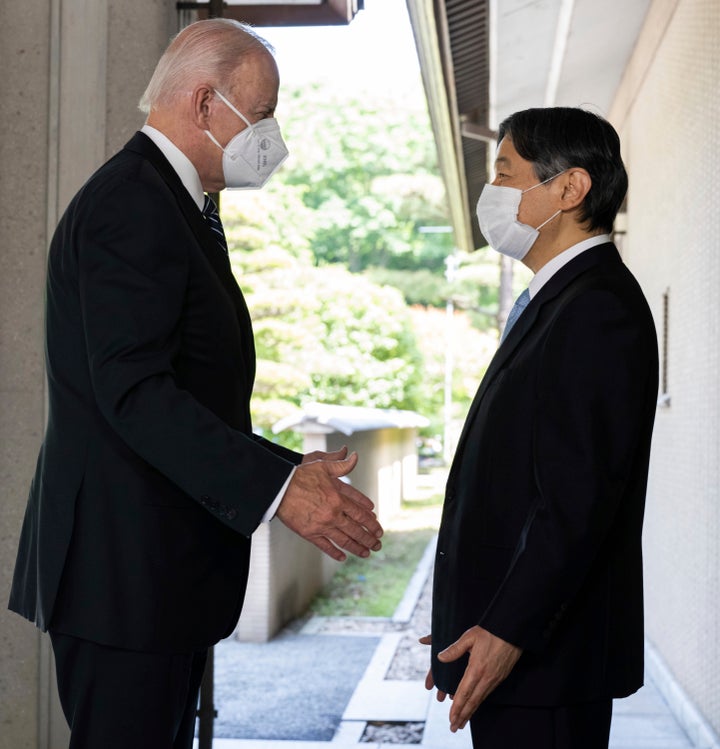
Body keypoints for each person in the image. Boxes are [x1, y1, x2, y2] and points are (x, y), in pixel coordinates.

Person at [8, 19, 383, 749]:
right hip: (123, 579)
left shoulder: (177, 205)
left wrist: (287, 470)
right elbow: (136, 394)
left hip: (154, 578)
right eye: (263, 112)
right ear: (206, 103)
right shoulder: (132, 204)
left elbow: (186, 393)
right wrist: (282, 491)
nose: (272, 135)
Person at [421, 107, 658, 749]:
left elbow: (575, 503)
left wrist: (508, 631)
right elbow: (514, 483)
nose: (491, 193)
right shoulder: (559, 299)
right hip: (515, 647)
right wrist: (465, 610)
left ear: (569, 189)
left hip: (543, 659)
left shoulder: (596, 308)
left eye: (505, 173)